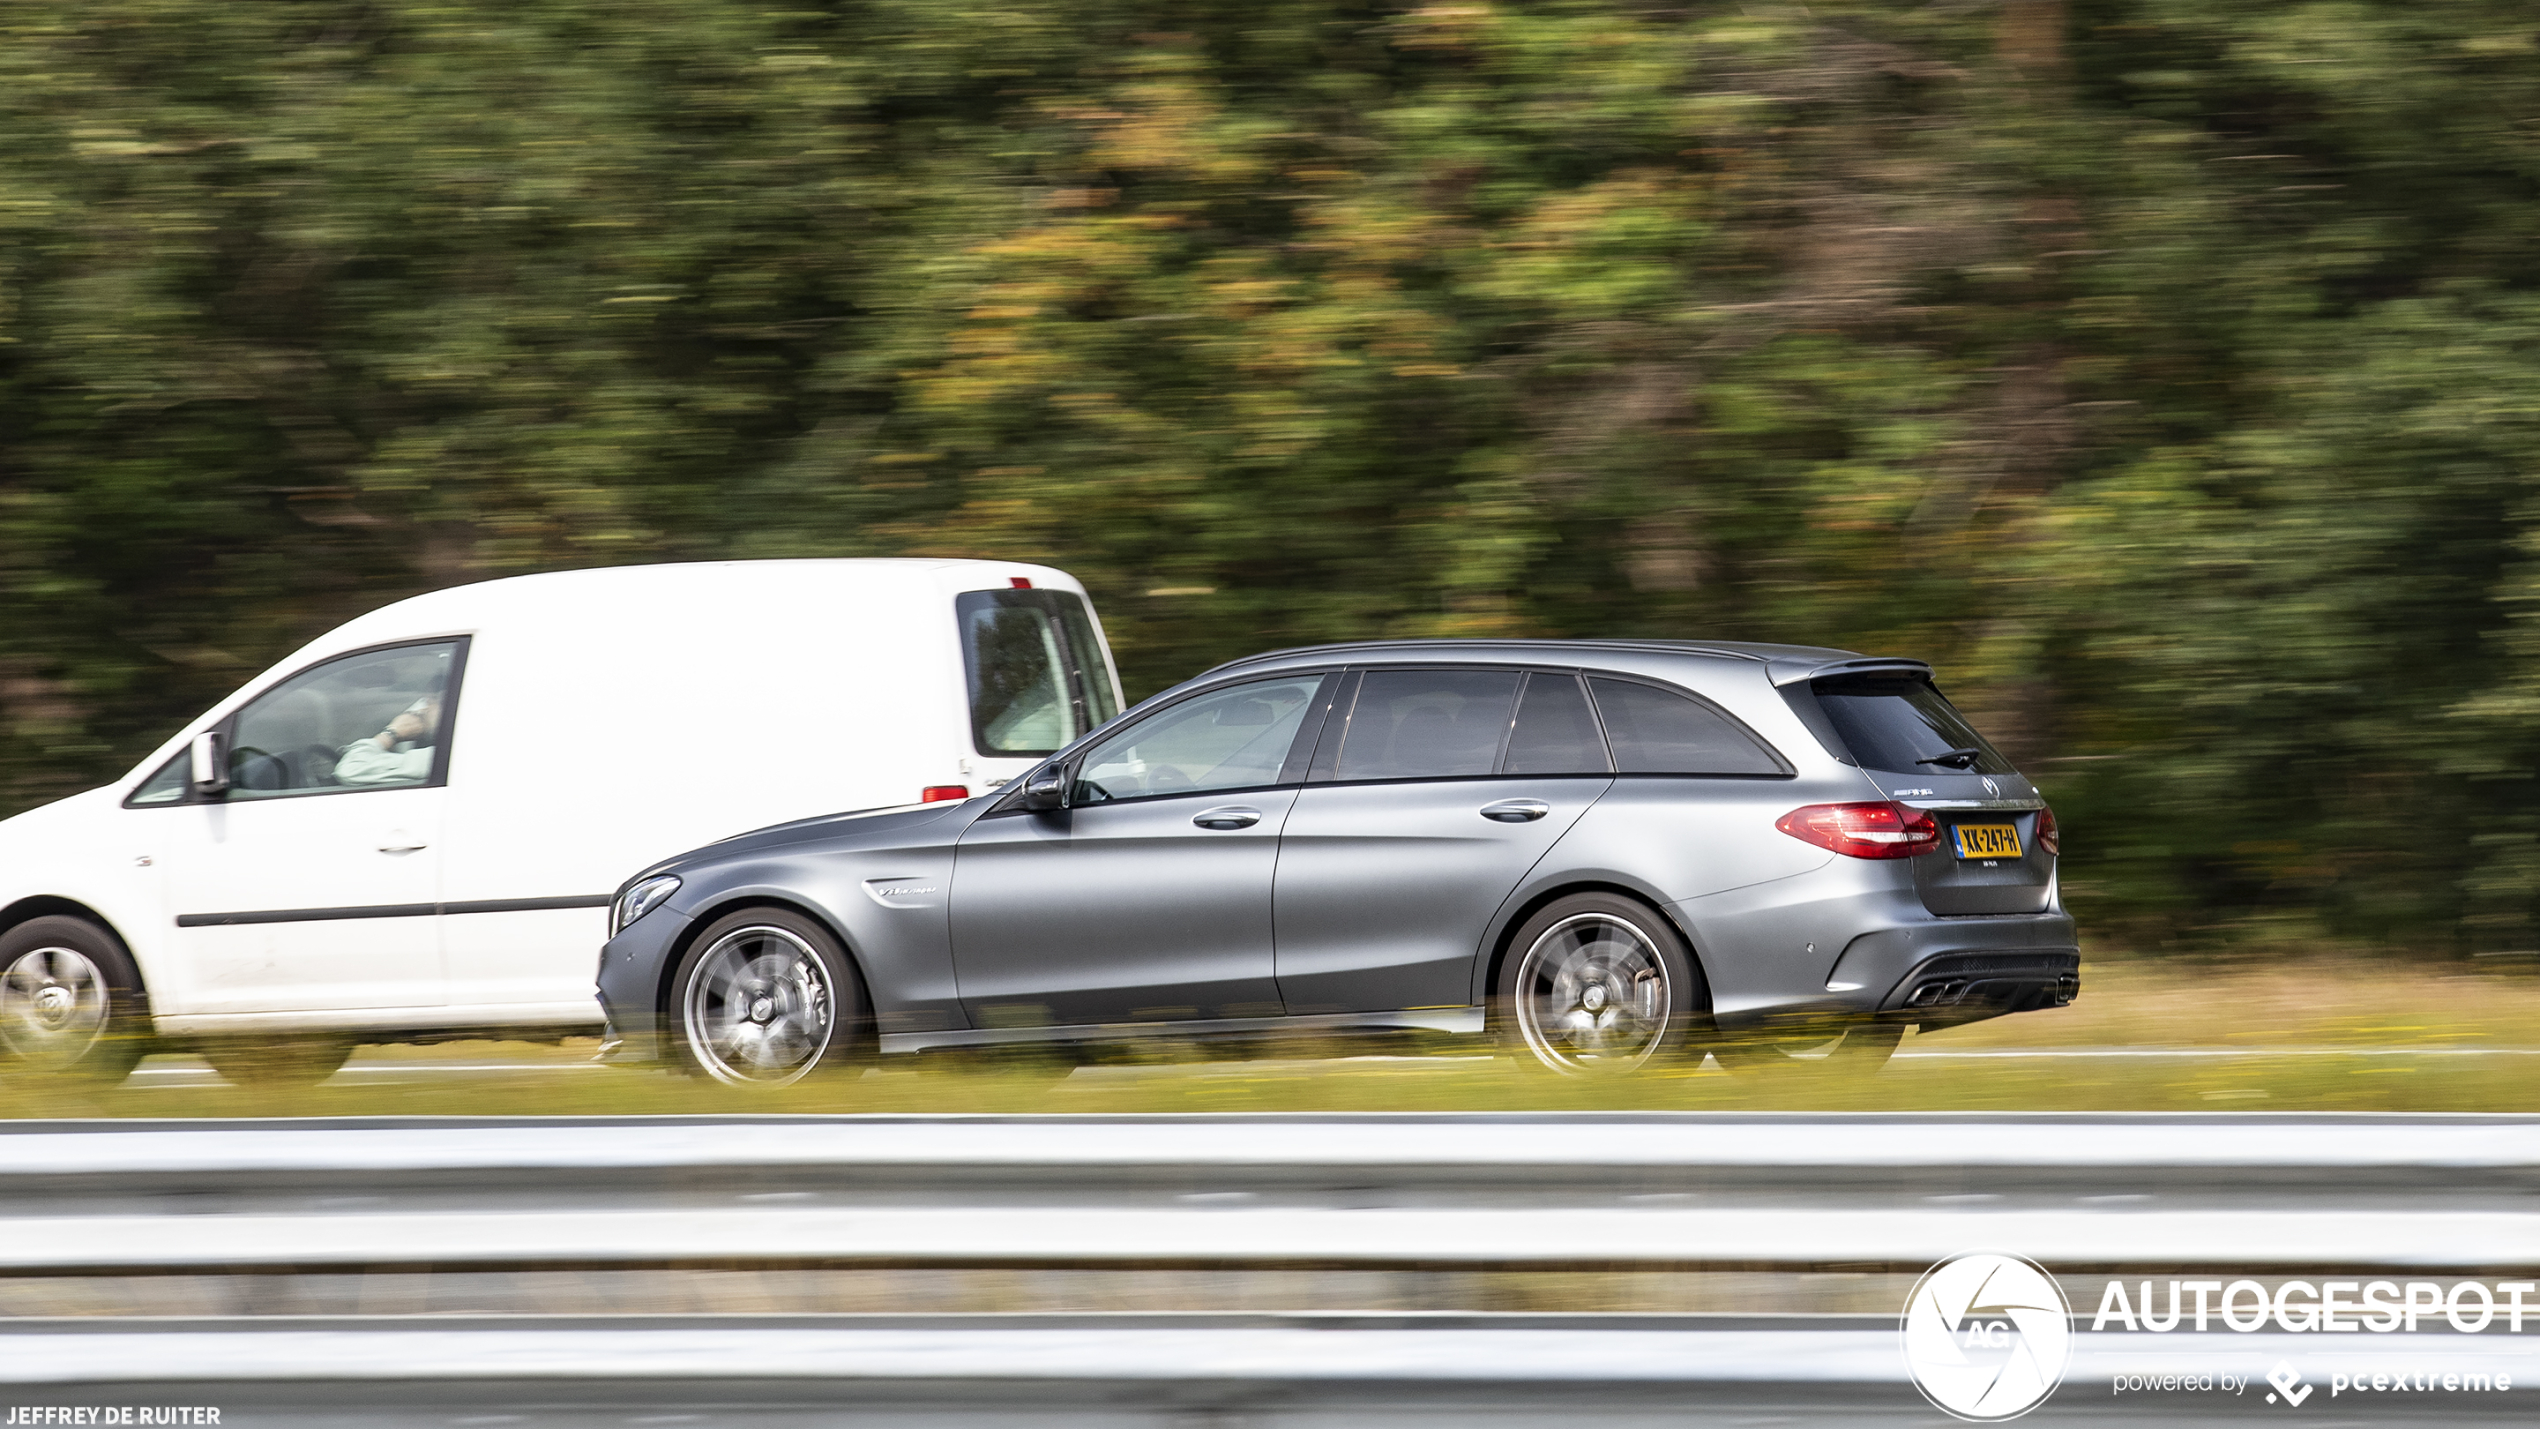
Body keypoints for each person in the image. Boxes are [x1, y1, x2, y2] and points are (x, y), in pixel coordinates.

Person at [335, 693, 442, 787]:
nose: (424, 709)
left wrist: (390, 734)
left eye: (434, 699)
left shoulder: (440, 758)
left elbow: (352, 770)